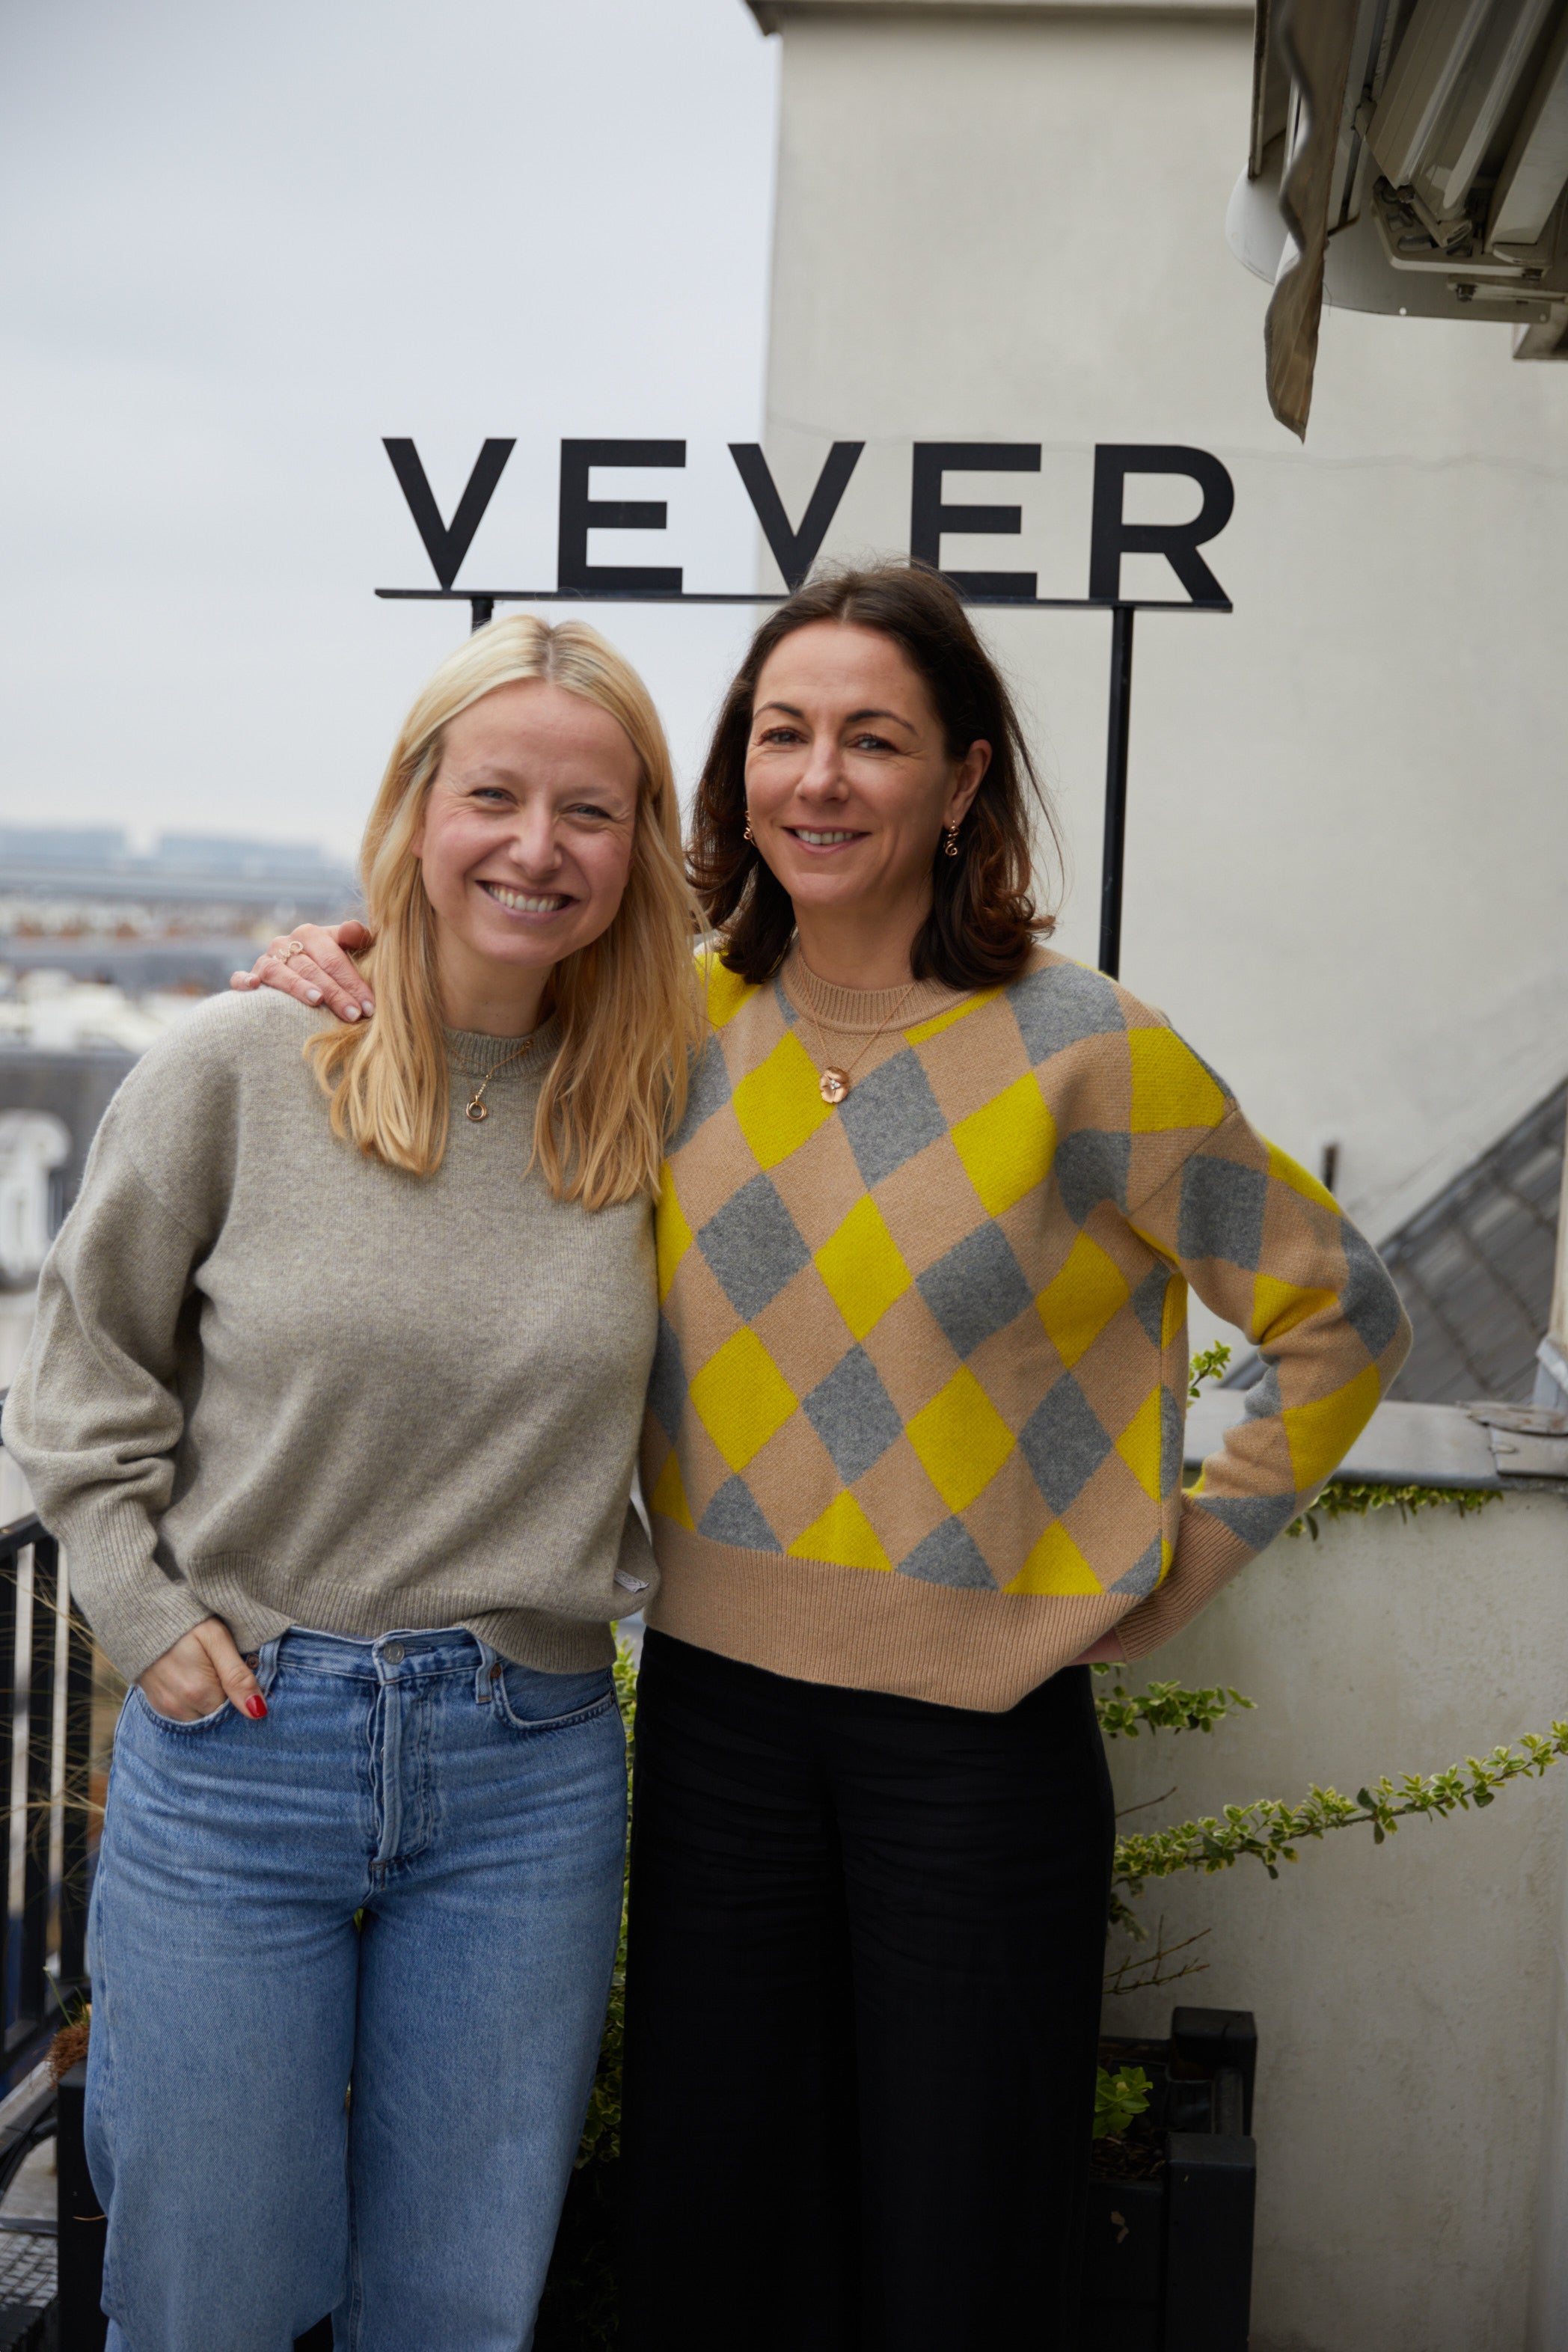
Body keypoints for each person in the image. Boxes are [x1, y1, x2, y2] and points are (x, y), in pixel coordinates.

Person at [250, 563, 1410, 2351]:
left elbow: (1340, 1313)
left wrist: (1196, 1561)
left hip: (980, 1751)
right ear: (735, 775)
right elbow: (450, 1005)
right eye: (781, 734)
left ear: (959, 785)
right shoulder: (662, 1022)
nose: (819, 777)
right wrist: (323, 957)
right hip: (714, 1719)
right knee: (718, 2240)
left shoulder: (1089, 1054)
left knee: (955, 2247)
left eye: (873, 739)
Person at [1, 614, 702, 2352]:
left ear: (641, 847)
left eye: (591, 812)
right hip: (245, 1751)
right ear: (414, 805)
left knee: (459, 2306)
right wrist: (145, 1615)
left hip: (526, 1776)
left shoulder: (671, 1100)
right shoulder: (236, 1069)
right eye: (494, 794)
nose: (538, 847)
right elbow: (80, 1383)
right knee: (207, 2292)